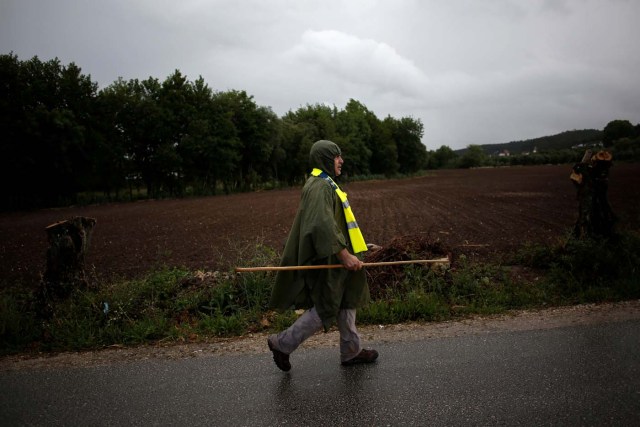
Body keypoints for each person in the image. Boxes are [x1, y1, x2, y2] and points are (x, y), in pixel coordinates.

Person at [267, 139, 379, 371]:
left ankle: (351, 350)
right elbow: (322, 224)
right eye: (337, 156)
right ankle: (282, 343)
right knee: (326, 305)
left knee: (347, 299)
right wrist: (344, 254)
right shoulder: (319, 186)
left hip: (338, 255)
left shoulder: (327, 183)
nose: (341, 160)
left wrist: (352, 247)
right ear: (326, 159)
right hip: (331, 257)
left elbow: (336, 220)